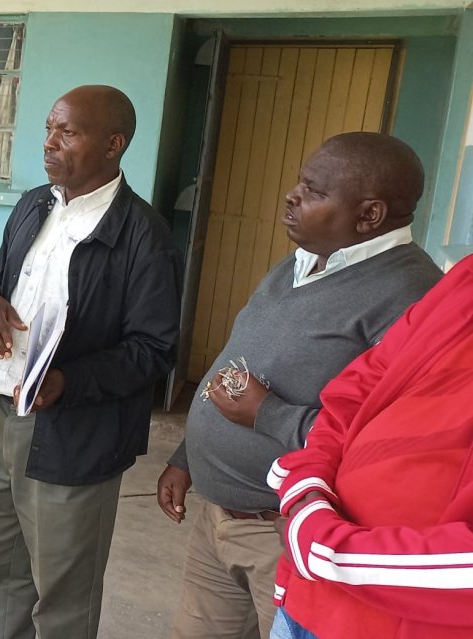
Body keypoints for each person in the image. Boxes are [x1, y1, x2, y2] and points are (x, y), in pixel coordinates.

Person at [156, 132, 443, 639]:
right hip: (218, 517)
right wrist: (187, 455)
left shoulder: (413, 299)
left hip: (286, 534)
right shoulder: (303, 262)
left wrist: (267, 413)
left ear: (369, 216)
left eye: (313, 191)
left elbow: (386, 447)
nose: (291, 195)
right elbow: (239, 364)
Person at [0, 85, 183, 639]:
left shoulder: (144, 235)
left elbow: (154, 348)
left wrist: (69, 381)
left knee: (63, 595)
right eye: (47, 129)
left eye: (68, 132)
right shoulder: (34, 204)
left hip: (74, 433)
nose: (50, 143)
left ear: (113, 144)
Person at [268, 252, 473, 639]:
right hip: (309, 600)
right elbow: (360, 385)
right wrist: (308, 481)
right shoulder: (465, 279)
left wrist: (327, 549)